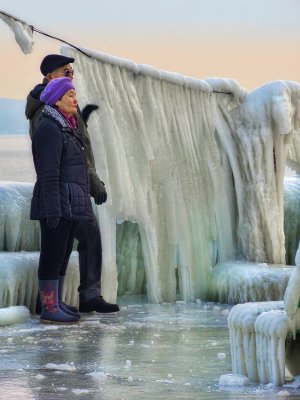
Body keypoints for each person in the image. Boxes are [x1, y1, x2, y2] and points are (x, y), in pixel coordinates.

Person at [25, 54, 119, 314]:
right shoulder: (46, 114)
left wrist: (90, 182)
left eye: (72, 72)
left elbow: (78, 149)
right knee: (68, 244)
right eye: (65, 72)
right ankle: (55, 302)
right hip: (65, 188)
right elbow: (53, 160)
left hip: (75, 187)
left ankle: (53, 301)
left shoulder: (63, 109)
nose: (71, 75)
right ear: (49, 78)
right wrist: (90, 183)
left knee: (64, 245)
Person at [30, 77, 93, 323]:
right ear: (56, 100)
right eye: (70, 95)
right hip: (55, 204)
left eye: (75, 94)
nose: (75, 99)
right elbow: (49, 172)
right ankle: (48, 308)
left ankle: (55, 302)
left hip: (69, 203)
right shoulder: (49, 128)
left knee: (62, 254)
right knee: (51, 254)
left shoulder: (67, 126)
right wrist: (54, 209)